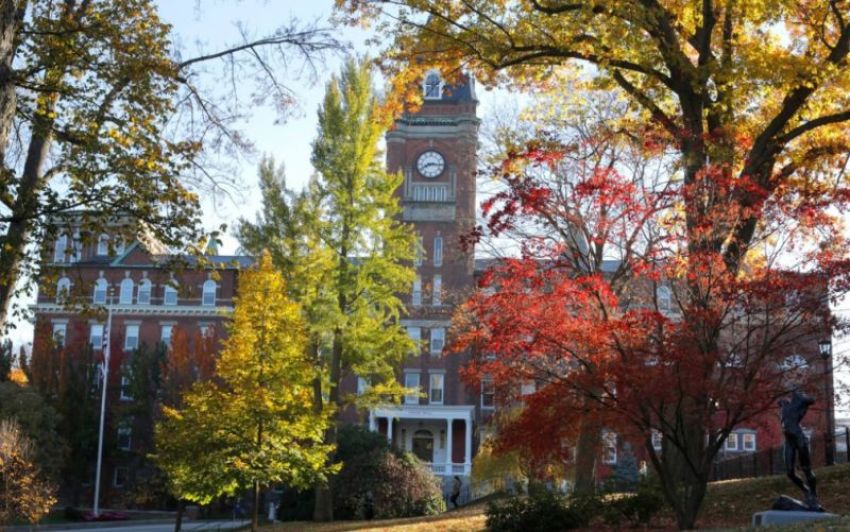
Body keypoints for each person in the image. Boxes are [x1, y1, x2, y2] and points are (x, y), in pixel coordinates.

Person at [779, 389, 820, 509]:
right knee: (790, 472)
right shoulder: (782, 405)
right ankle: (806, 490)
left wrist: (802, 397)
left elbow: (811, 400)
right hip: (789, 441)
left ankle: (813, 494)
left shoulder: (799, 402)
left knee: (806, 469)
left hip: (799, 439)